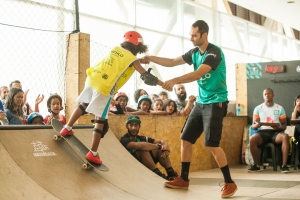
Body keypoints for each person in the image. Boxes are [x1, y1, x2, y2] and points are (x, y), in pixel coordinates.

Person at [141, 20, 237, 197]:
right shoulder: (194, 53)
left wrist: (174, 81)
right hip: (201, 103)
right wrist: (151, 58)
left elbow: (198, 74)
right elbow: (171, 61)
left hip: (216, 103)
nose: (191, 38)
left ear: (204, 35)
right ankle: (184, 179)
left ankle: (229, 183)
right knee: (185, 139)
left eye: (194, 35)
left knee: (211, 144)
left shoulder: (214, 53)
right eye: (191, 35)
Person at [60, 31, 166, 165]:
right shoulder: (132, 59)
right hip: (105, 87)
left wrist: (140, 60)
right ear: (137, 46)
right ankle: (93, 153)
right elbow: (146, 76)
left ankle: (67, 127)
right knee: (101, 120)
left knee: (84, 104)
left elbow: (126, 60)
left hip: (92, 79)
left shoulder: (116, 49)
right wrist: (162, 84)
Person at [120, 115, 178, 180]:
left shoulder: (141, 138)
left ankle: (171, 174)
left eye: (136, 125)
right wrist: (160, 147)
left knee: (159, 149)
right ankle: (159, 176)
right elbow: (140, 146)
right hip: (133, 168)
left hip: (144, 165)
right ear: (126, 126)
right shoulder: (124, 139)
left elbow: (161, 141)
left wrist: (166, 149)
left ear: (139, 127)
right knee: (143, 149)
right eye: (131, 125)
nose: (134, 128)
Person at [249, 88, 289, 173]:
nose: (267, 95)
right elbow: (253, 125)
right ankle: (256, 165)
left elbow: (284, 126)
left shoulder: (279, 108)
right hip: (263, 133)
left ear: (273, 95)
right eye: (265, 94)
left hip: (275, 132)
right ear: (263, 96)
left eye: (269, 94)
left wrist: (278, 128)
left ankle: (284, 166)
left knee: (285, 136)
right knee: (252, 138)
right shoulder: (258, 108)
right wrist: (256, 125)